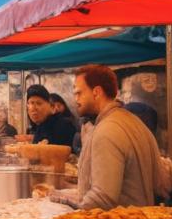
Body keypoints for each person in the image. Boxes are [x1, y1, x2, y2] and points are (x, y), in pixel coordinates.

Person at [60, 65, 160, 209]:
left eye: (79, 93)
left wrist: (70, 211)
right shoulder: (135, 122)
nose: (76, 99)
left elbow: (102, 198)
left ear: (96, 92)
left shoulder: (107, 131)